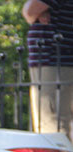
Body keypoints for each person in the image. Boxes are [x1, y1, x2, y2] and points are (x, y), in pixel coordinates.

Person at [23, 0, 73, 139]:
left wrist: (33, 10)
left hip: (53, 59)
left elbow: (30, 11)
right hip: (59, 58)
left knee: (52, 124)